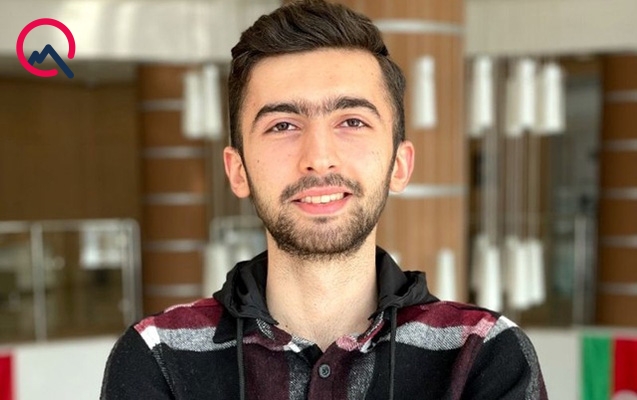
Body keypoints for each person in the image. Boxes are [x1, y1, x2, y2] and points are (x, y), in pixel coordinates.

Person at [101, 1, 548, 399]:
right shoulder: (159, 355)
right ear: (238, 170)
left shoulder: (482, 353)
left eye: (351, 121)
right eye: (282, 125)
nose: (318, 158)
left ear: (400, 164)